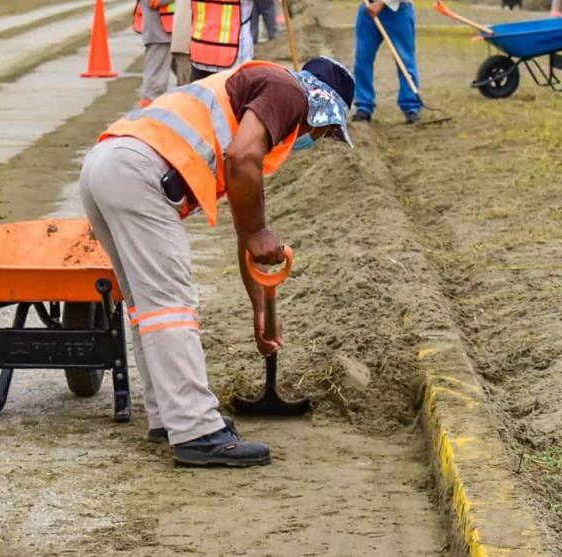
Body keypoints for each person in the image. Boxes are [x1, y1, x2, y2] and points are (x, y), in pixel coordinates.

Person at [79, 55, 355, 466]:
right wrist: (261, 232)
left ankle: (168, 416)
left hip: (108, 165)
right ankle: (196, 431)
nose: (316, 139)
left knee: (150, 309)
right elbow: (243, 160)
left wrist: (260, 309)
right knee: (172, 307)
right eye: (327, 129)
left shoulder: (255, 101)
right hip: (137, 172)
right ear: (321, 105)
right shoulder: (288, 91)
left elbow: (246, 233)